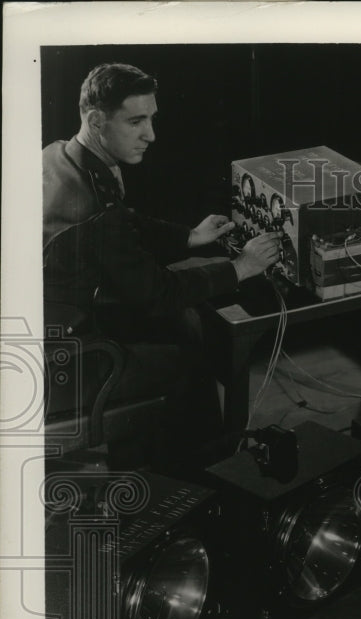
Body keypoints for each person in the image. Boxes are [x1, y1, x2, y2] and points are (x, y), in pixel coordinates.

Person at [42, 62, 278, 471]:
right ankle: (197, 476)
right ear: (97, 120)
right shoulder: (89, 206)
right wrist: (241, 267)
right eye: (136, 122)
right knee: (187, 357)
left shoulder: (62, 155)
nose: (150, 134)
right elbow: (158, 293)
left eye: (151, 119)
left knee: (185, 322)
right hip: (68, 358)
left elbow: (123, 222)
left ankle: (166, 461)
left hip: (51, 324)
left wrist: (188, 237)